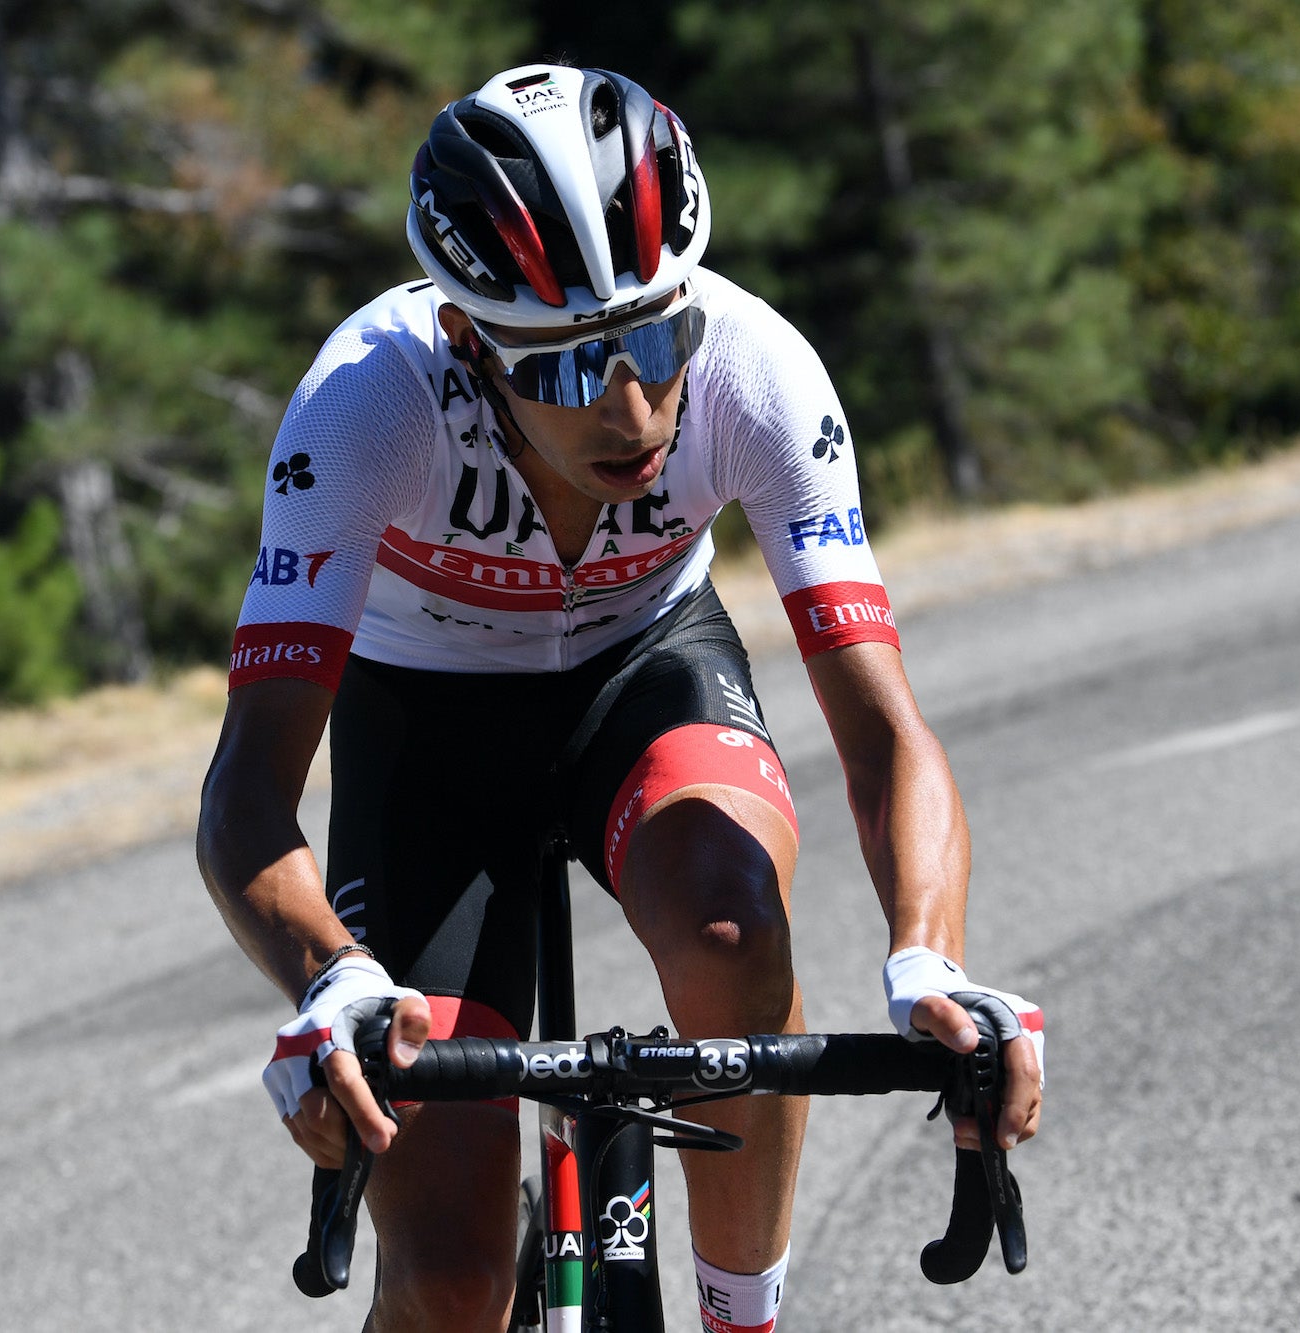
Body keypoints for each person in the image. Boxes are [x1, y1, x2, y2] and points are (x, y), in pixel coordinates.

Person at [196, 63, 1043, 1333]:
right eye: (565, 367)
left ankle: (742, 1316)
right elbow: (248, 790)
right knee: (450, 1281)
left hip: (645, 672)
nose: (633, 408)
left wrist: (932, 957)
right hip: (428, 723)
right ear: (468, 341)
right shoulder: (365, 404)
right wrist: (331, 979)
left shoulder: (756, 371)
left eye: (654, 340)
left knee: (730, 931)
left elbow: (882, 733)